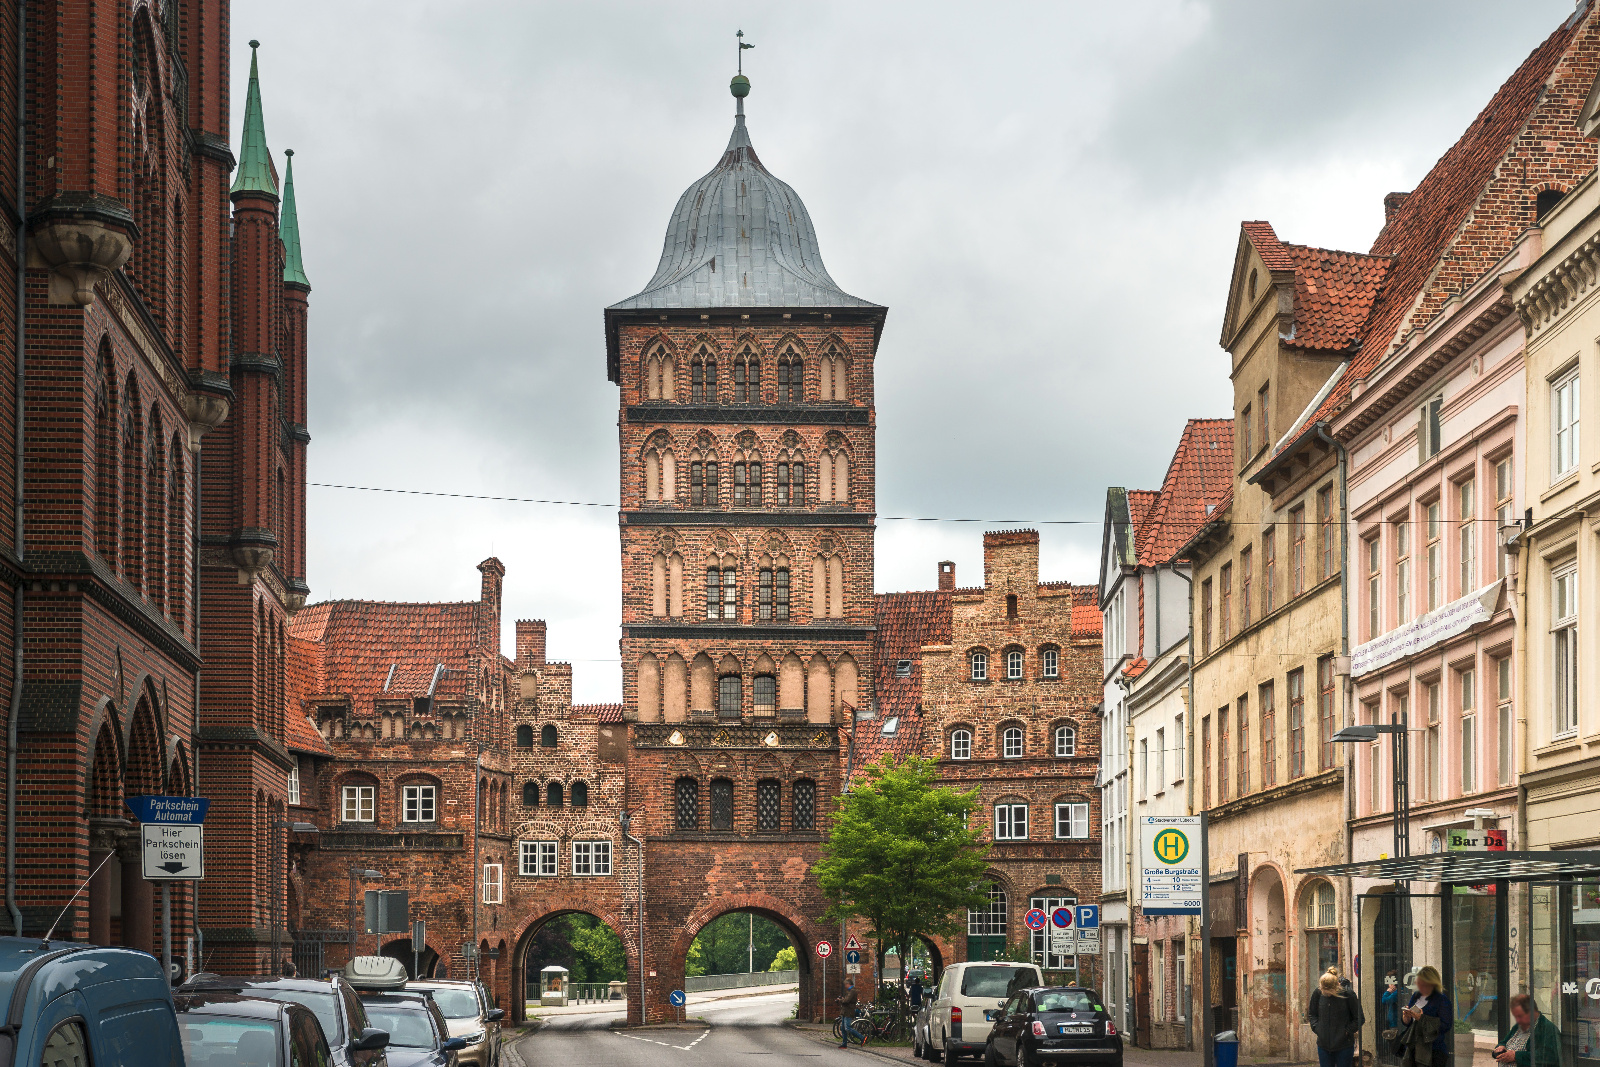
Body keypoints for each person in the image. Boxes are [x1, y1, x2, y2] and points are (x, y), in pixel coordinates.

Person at [1308, 967, 1365, 1067]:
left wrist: (1347, 1031)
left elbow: (1359, 1018)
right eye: (1322, 990)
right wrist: (1317, 1029)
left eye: (1327, 991)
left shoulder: (1348, 995)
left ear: (1335, 987)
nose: (1324, 993)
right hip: (1323, 1044)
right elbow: (1312, 1014)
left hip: (1344, 1045)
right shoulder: (1317, 993)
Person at [1399, 965, 1453, 1067]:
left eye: (1423, 984)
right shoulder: (1416, 996)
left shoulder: (1441, 1000)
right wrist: (1406, 1018)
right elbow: (1410, 1024)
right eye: (1418, 983)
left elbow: (1446, 1025)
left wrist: (1422, 1018)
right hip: (1413, 1048)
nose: (1420, 987)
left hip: (1433, 1050)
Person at [1493, 993, 1560, 1067]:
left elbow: (1548, 1058)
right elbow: (1504, 1041)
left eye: (1520, 1016)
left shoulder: (1547, 1029)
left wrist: (1516, 1056)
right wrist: (1500, 1047)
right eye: (1516, 1016)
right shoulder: (1519, 1026)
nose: (1518, 1020)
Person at [837, 978, 861, 1049]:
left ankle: (861, 1037)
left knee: (847, 1027)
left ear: (848, 984)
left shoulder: (852, 991)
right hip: (845, 1011)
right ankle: (844, 1044)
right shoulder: (850, 991)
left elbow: (846, 1000)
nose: (845, 986)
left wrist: (840, 1000)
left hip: (849, 1011)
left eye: (845, 985)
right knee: (843, 1028)